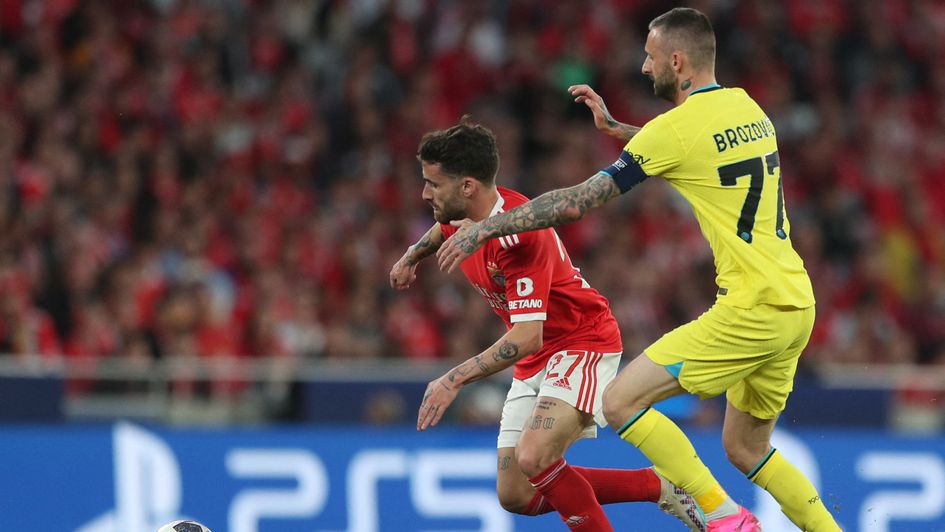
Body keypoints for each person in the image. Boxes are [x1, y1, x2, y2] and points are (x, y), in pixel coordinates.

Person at [435, 7, 842, 532]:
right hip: (796, 303)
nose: (644, 68)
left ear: (677, 60)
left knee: (620, 400)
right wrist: (622, 130)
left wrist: (488, 226)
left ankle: (723, 520)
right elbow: (694, 149)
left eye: (650, 59)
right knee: (746, 447)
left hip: (752, 306)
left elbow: (579, 201)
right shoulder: (749, 109)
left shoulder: (674, 130)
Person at [390, 118, 706, 531]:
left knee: (536, 455)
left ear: (467, 186)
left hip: (581, 343)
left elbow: (525, 335)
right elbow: (441, 227)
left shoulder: (520, 237)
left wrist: (454, 378)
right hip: (539, 357)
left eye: (433, 184)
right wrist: (412, 255)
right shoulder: (461, 210)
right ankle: (659, 487)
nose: (424, 193)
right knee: (516, 493)